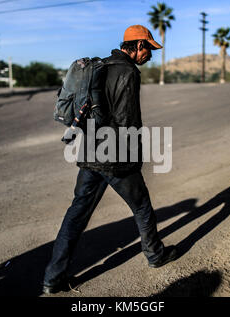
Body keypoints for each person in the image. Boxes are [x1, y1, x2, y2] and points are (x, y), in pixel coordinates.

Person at [42, 25, 178, 295]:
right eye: (148, 48)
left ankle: (52, 278)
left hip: (90, 152)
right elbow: (128, 121)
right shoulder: (128, 72)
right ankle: (155, 255)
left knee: (76, 215)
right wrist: (134, 160)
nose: (150, 54)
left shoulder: (99, 66)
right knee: (141, 206)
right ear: (137, 46)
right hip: (115, 155)